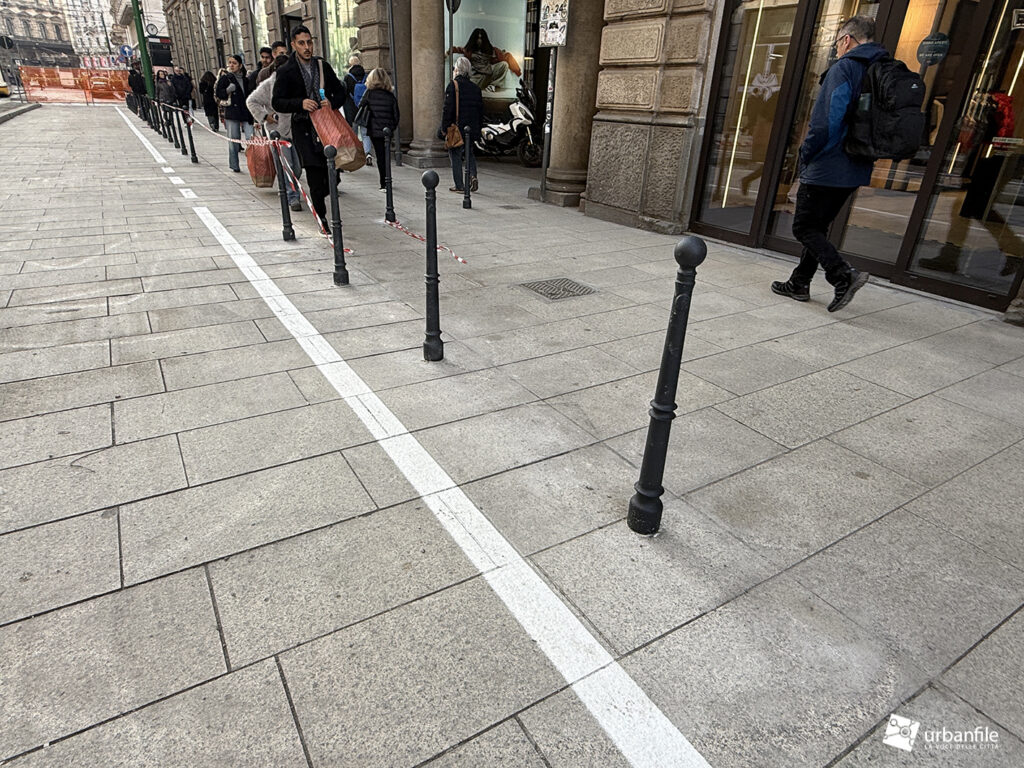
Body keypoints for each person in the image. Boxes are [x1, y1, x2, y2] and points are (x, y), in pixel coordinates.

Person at [770, 16, 885, 312]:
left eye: (836, 43)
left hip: (829, 163)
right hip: (857, 164)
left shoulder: (845, 68)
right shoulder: (881, 68)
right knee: (817, 227)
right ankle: (799, 282)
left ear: (847, 40)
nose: (836, 49)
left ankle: (843, 276)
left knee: (803, 227)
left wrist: (806, 153)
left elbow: (825, 122)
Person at [272, 24, 348, 225]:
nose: (307, 47)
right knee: (314, 176)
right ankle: (322, 218)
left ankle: (323, 196)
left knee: (333, 174)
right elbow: (277, 102)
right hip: (304, 129)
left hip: (327, 127)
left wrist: (332, 101)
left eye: (309, 42)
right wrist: (300, 103)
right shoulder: (286, 71)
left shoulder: (323, 66)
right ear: (293, 45)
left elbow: (341, 92)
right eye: (302, 43)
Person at [248, 54, 303, 210]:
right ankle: (292, 197)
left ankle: (285, 188)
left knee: (297, 168)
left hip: (296, 130)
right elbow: (251, 101)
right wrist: (265, 116)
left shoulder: (297, 82)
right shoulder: (268, 85)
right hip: (277, 132)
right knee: (287, 165)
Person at [440, 56, 482, 193]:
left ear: (457, 70)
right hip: (471, 128)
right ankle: (472, 175)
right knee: (469, 153)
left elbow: (447, 109)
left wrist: (444, 128)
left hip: (456, 127)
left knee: (455, 155)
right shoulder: (476, 88)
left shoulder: (453, 85)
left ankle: (459, 185)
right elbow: (480, 111)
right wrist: (478, 129)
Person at [359, 68, 400, 191]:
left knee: (380, 156)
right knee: (386, 156)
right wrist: (392, 127)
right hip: (387, 130)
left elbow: (361, 106)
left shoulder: (369, 93)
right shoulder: (390, 95)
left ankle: (384, 183)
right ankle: (388, 180)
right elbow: (396, 115)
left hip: (374, 130)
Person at [216, 55, 255, 173]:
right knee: (233, 139)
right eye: (230, 63)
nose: (231, 65)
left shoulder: (246, 79)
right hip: (232, 113)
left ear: (240, 65)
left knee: (250, 139)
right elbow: (218, 94)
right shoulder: (225, 78)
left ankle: (254, 164)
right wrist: (228, 90)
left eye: (234, 63)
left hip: (246, 112)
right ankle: (234, 164)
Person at [448, 28, 521, 91]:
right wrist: (446, 53)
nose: (479, 40)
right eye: (477, 38)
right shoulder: (469, 50)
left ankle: (493, 85)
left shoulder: (491, 50)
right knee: (469, 87)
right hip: (477, 76)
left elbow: (506, 56)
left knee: (504, 64)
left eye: (481, 38)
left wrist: (517, 71)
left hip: (489, 73)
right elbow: (457, 49)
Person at [342, 55, 365, 124]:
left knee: (352, 127)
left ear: (350, 64)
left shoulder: (348, 77)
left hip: (351, 106)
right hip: (363, 105)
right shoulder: (365, 75)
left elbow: (344, 91)